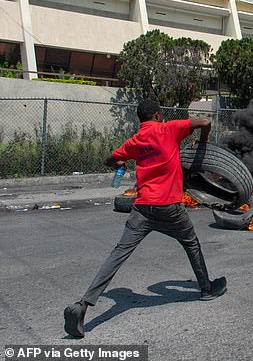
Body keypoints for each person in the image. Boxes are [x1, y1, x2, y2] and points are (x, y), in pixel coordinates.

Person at [64, 99, 226, 339]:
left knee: (118, 254)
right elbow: (205, 121)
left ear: (140, 119)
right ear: (159, 115)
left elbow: (110, 159)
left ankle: (83, 305)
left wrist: (121, 162)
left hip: (142, 209)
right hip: (169, 207)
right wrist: (201, 143)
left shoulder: (135, 141)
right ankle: (206, 288)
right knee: (191, 243)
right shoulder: (169, 128)